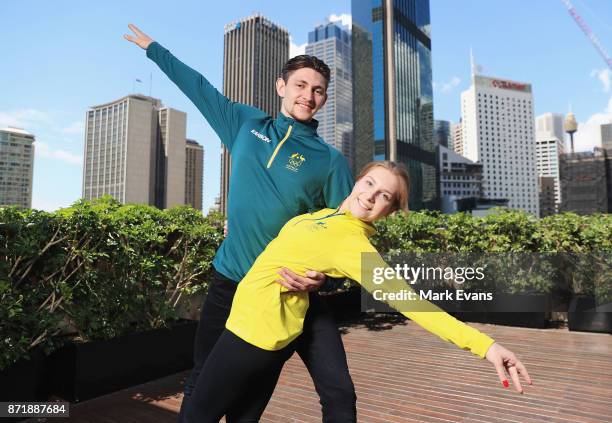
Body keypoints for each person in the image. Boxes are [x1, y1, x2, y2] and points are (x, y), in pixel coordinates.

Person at [124, 24, 359, 422]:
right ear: (281, 86)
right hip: (230, 280)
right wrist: (153, 49)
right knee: (203, 377)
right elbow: (198, 88)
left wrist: (325, 279)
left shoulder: (329, 160)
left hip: (284, 290)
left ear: (324, 99)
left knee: (274, 396)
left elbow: (344, 232)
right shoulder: (246, 125)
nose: (308, 95)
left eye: (318, 90)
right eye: (301, 85)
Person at [185, 161, 533, 422]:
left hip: (252, 335)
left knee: (197, 416)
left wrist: (486, 346)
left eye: (384, 196)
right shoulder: (322, 215)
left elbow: (411, 303)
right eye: (369, 183)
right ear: (357, 181)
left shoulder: (355, 245)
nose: (370, 196)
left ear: (390, 211)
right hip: (255, 326)